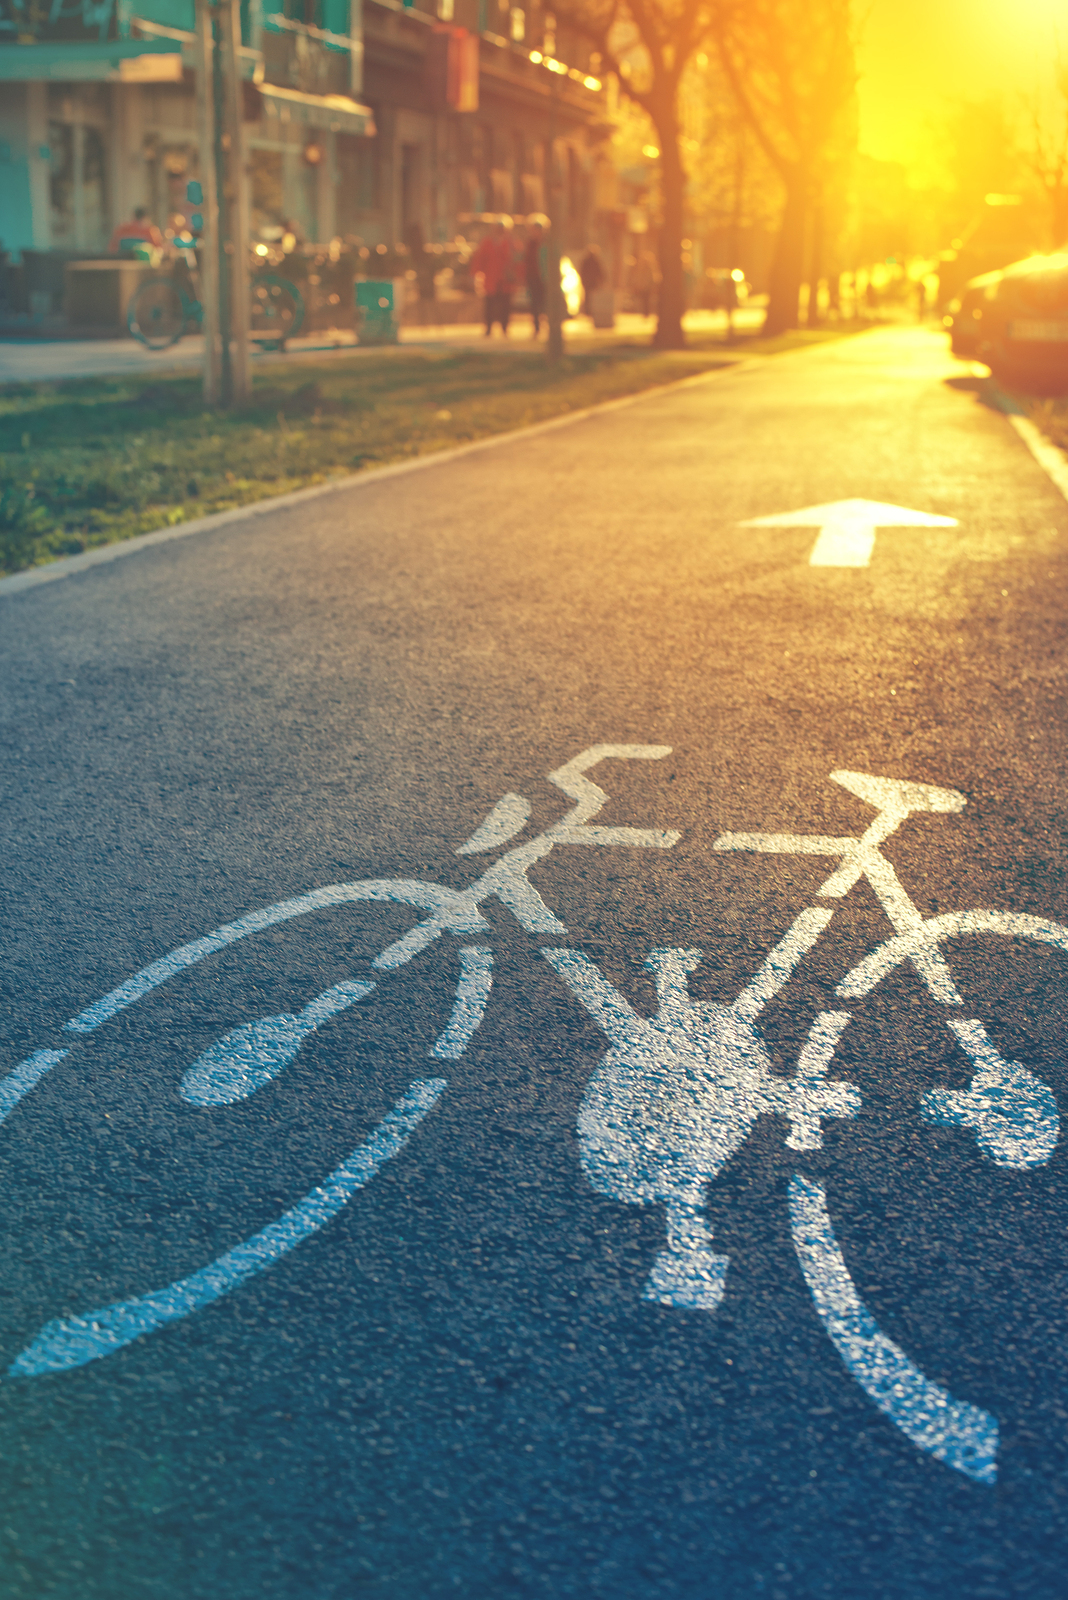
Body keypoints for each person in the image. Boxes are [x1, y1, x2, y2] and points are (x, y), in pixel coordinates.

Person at [471, 220, 517, 336]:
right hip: (491, 279)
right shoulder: (487, 242)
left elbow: (517, 261)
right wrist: (474, 273)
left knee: (505, 305)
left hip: (505, 280)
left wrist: (517, 276)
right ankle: (488, 327)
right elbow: (479, 259)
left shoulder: (512, 243)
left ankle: (504, 327)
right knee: (489, 305)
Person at [524, 221, 547, 336]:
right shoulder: (530, 244)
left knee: (545, 302)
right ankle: (537, 326)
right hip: (533, 277)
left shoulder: (547, 243)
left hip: (545, 278)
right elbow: (526, 260)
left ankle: (548, 325)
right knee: (534, 303)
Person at [578, 244, 605, 317]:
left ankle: (588, 311)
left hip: (587, 282)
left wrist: (583, 280)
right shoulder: (595, 261)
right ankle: (591, 310)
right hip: (593, 282)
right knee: (593, 297)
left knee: (587, 297)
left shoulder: (585, 261)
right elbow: (600, 272)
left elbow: (582, 272)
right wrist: (602, 281)